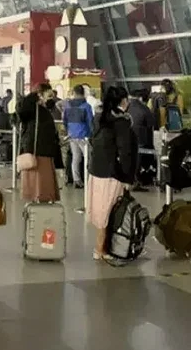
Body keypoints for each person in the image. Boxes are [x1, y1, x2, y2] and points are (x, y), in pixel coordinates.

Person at [86, 86, 137, 261]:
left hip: (97, 170)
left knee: (102, 209)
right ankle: (101, 249)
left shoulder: (100, 117)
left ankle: (103, 247)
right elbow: (125, 152)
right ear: (124, 101)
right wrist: (128, 177)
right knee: (110, 210)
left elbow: (93, 141)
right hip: (113, 173)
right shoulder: (121, 122)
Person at [17, 83, 63, 202]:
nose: (51, 97)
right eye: (48, 93)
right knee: (39, 177)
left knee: (44, 177)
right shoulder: (32, 108)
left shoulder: (43, 109)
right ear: (40, 94)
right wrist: (34, 95)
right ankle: (38, 196)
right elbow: (21, 110)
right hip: (37, 149)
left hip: (44, 148)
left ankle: (43, 197)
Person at [63, 84, 94, 189]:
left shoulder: (68, 106)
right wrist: (92, 134)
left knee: (76, 158)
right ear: (83, 93)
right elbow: (90, 122)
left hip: (72, 135)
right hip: (84, 135)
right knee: (88, 158)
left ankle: (77, 180)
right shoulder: (86, 106)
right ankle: (88, 179)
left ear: (74, 93)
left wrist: (68, 131)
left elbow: (65, 120)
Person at [126, 89, 156, 191]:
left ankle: (131, 180)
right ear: (141, 98)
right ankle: (136, 181)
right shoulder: (144, 109)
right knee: (138, 161)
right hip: (140, 139)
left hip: (127, 138)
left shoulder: (126, 107)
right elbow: (151, 124)